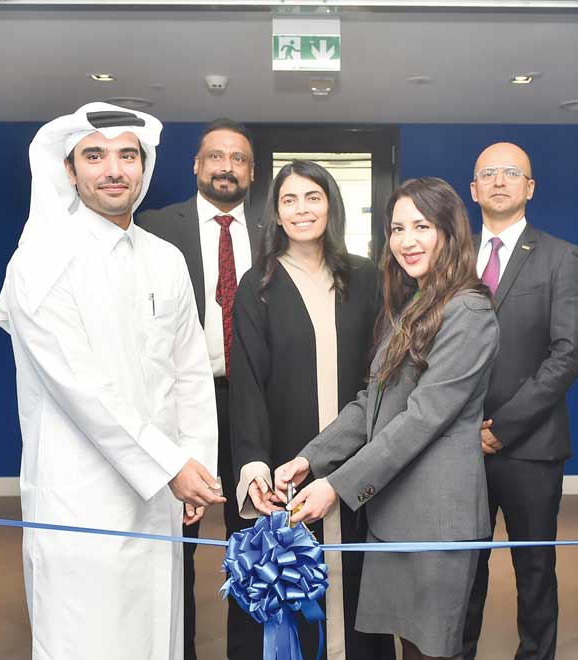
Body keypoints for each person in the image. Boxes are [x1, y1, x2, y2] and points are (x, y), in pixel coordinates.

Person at [0, 102, 225, 660]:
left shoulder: (165, 258)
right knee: (86, 637)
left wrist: (196, 460)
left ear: (143, 167)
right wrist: (172, 465)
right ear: (69, 171)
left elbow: (189, 370)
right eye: (94, 156)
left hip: (161, 496)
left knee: (157, 633)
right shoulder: (39, 262)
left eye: (127, 155)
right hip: (80, 497)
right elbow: (82, 390)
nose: (113, 169)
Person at [273, 176, 501, 660]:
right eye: (398, 228)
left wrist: (337, 486)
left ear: (450, 232)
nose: (407, 241)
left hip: (437, 524)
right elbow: (369, 403)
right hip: (392, 517)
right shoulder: (414, 306)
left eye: (421, 226)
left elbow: (422, 418)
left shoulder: (468, 310)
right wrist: (311, 460)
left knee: (433, 652)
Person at [230, 160, 395, 660]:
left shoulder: (365, 276)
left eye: (313, 197)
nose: (302, 210)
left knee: (361, 587)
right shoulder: (256, 283)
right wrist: (255, 463)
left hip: (358, 458)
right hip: (287, 461)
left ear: (330, 205)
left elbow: (382, 374)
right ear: (276, 215)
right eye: (289, 200)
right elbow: (248, 387)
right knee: (293, 594)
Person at [460, 142, 578, 660]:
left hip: (531, 447)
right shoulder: (450, 256)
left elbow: (569, 353)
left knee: (534, 570)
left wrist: (503, 426)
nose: (498, 181)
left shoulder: (561, 256)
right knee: (462, 569)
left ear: (529, 188)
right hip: (457, 444)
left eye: (511, 173)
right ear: (472, 190)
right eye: (487, 174)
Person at [136, 118, 260, 660]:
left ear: (251, 172)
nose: (226, 167)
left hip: (253, 401)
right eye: (215, 157)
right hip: (180, 401)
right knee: (175, 540)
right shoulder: (155, 227)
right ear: (196, 165)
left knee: (252, 536)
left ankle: (249, 650)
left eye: (237, 159)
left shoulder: (274, 230)